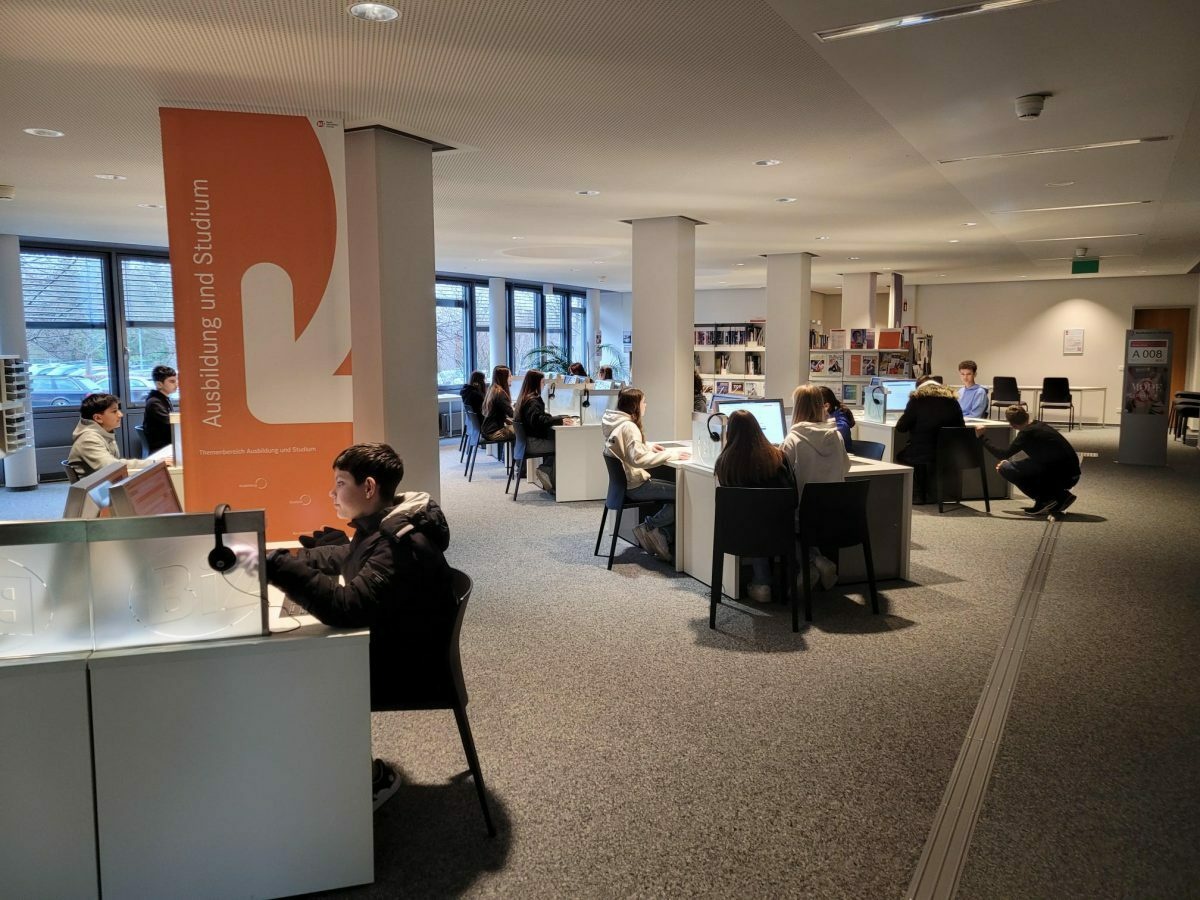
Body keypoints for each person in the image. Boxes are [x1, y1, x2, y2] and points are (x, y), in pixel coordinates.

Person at [263, 442, 455, 811]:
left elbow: (346, 609)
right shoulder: (384, 523)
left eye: (340, 483)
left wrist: (280, 568)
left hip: (409, 668)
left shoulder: (398, 544)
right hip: (397, 643)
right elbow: (349, 555)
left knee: (298, 671)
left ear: (368, 487)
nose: (331, 493)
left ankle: (368, 781)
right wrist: (296, 558)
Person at [714, 410, 796, 602]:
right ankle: (803, 567)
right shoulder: (778, 457)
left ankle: (762, 582)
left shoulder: (724, 463)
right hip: (779, 531)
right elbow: (793, 498)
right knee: (765, 518)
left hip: (738, 535)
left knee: (754, 519)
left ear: (729, 433)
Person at [601, 388, 690, 562]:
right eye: (643, 402)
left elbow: (627, 447)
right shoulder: (630, 427)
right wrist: (671, 455)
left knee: (677, 491)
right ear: (635, 405)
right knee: (683, 494)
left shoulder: (617, 422)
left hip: (624, 485)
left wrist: (647, 446)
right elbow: (638, 459)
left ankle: (655, 531)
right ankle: (652, 528)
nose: (646, 405)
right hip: (636, 486)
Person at [781, 384, 849, 589]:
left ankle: (812, 563)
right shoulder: (836, 436)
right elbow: (846, 467)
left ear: (797, 408)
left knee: (778, 520)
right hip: (836, 514)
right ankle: (817, 561)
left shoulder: (792, 440)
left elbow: (783, 476)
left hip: (804, 517)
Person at [976, 406, 1081, 516]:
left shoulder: (1026, 433)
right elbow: (1042, 457)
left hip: (1063, 476)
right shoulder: (1039, 425)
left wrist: (982, 437)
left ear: (1012, 425)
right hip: (1072, 473)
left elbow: (1002, 454)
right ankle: (1060, 496)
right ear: (1026, 415)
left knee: (1005, 468)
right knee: (1014, 466)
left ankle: (1045, 500)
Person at [895, 380, 964, 503]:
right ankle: (934, 493)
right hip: (948, 454)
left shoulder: (916, 401)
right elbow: (961, 428)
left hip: (920, 453)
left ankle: (918, 494)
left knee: (904, 456)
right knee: (926, 456)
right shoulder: (953, 402)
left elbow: (901, 428)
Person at [515, 369, 577, 492]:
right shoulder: (533, 400)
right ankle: (548, 473)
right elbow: (538, 420)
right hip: (533, 443)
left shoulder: (525, 398)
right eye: (542, 382)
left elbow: (538, 417)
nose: (544, 385)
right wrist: (559, 420)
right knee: (564, 445)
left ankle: (546, 470)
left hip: (526, 442)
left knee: (558, 440)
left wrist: (555, 418)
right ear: (536, 383)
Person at [67, 393, 155, 476]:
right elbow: (111, 467)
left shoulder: (104, 433)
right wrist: (152, 463)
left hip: (104, 482)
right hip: (97, 486)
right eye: (114, 411)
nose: (120, 415)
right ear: (98, 418)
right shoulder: (88, 440)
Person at [143, 364, 177, 454]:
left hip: (168, 445)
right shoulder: (155, 403)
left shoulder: (163, 399)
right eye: (172, 381)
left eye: (176, 380)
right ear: (159, 384)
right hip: (162, 449)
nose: (176, 384)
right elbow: (170, 424)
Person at [481, 365, 514, 442]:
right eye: (509, 376)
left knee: (517, 428)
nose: (512, 378)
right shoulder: (500, 393)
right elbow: (512, 414)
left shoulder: (492, 389)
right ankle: (519, 450)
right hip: (495, 433)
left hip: (487, 430)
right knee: (523, 431)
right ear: (503, 378)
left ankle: (515, 450)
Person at [818, 385, 855, 453]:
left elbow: (842, 429)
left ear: (826, 406)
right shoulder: (828, 414)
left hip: (844, 457)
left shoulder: (840, 417)